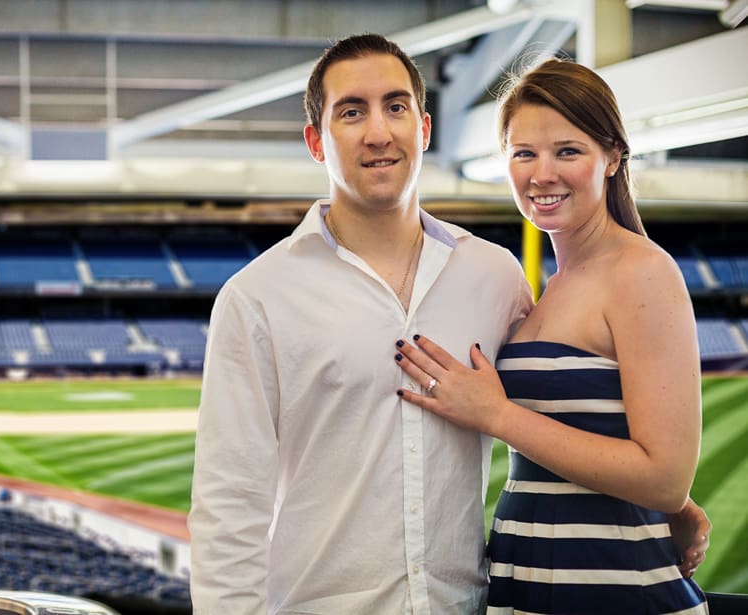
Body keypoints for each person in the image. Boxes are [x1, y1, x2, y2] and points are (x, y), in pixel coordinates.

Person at [189, 34, 708, 614]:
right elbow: (228, 503)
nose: (379, 132)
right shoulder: (257, 297)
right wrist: (673, 501)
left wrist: (672, 501)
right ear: (316, 141)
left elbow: (583, 415)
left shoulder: (493, 274)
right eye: (351, 112)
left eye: (395, 106)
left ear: (425, 128)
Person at [393, 57, 709, 614]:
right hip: (530, 591)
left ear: (613, 157)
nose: (542, 174)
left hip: (619, 597)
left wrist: (497, 415)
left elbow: (663, 478)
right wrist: (680, 510)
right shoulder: (550, 288)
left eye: (568, 150)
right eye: (523, 153)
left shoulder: (641, 271)